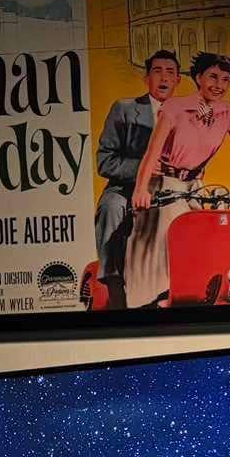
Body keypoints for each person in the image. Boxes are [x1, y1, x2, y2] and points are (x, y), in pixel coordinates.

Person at [122, 53, 230, 306]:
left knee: (209, 240)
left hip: (196, 187)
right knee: (171, 241)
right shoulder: (175, 108)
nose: (219, 85)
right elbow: (152, 152)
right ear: (198, 77)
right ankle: (154, 302)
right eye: (213, 77)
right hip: (164, 184)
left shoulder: (228, 113)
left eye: (225, 79)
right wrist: (141, 190)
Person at [93, 49, 181, 307]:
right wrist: (144, 168)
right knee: (111, 208)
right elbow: (105, 161)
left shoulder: (188, 113)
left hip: (172, 189)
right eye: (157, 71)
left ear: (178, 80)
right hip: (127, 187)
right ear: (146, 78)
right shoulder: (125, 109)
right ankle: (114, 288)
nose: (164, 77)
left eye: (170, 72)